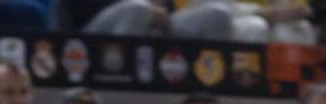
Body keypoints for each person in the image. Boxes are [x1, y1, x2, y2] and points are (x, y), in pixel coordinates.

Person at [71, 0, 233, 38]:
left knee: (217, 14)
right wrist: (148, 9)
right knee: (136, 9)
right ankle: (123, 83)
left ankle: (208, 96)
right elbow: (79, 7)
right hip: (91, 35)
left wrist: (161, 10)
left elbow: (168, 7)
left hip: (158, 21)